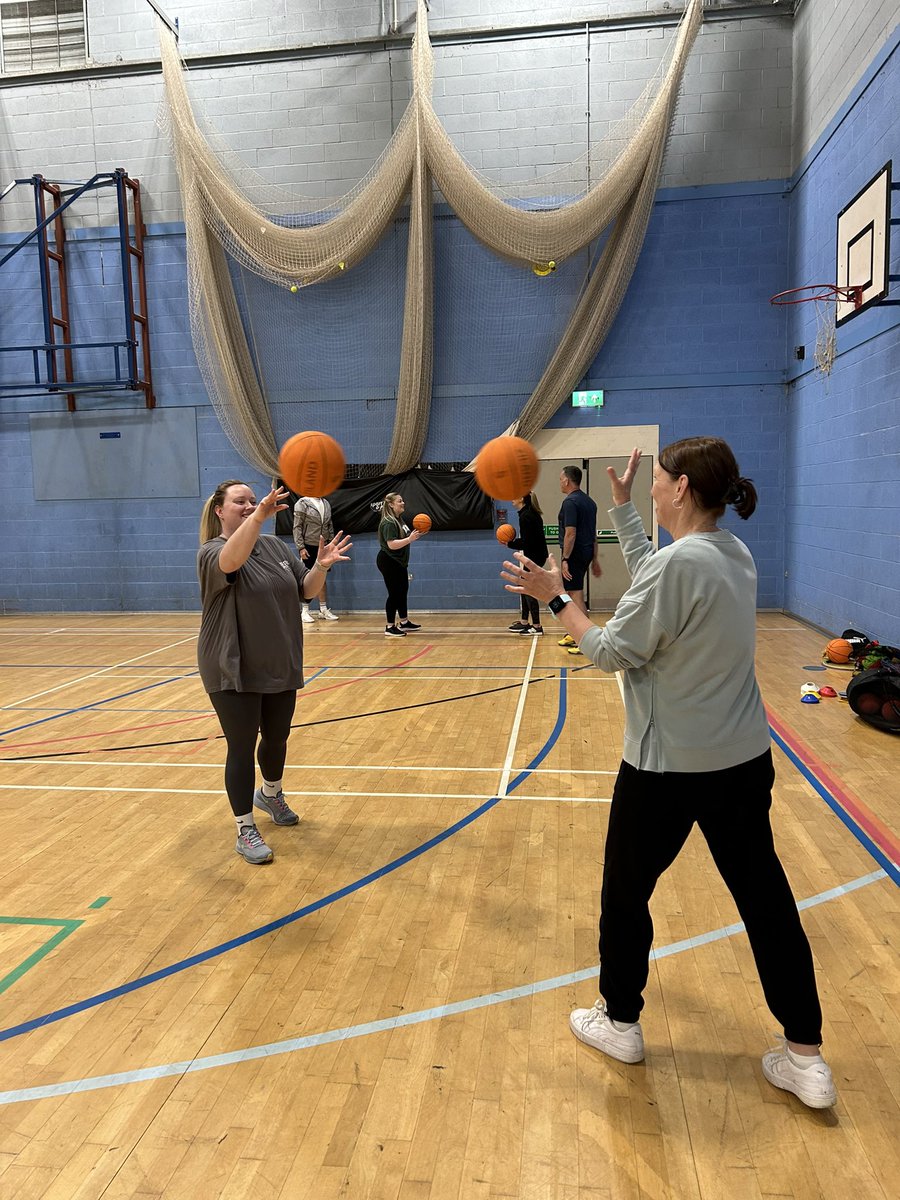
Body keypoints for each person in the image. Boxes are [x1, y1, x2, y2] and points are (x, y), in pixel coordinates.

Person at [501, 437, 836, 1109]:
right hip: (742, 762)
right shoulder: (731, 554)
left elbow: (612, 651)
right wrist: (623, 508)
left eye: (655, 480)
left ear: (681, 488)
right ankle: (806, 1059)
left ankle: (620, 1022)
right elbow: (662, 574)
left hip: (665, 768)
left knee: (625, 896)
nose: (650, 486)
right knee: (766, 902)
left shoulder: (677, 568)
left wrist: (556, 592)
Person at [198, 479, 352, 865]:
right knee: (242, 744)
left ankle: (270, 793)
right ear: (220, 510)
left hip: (278, 659)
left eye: (254, 500)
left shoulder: (274, 547)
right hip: (231, 663)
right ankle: (245, 828)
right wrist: (261, 516)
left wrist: (321, 565)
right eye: (240, 502)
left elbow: (305, 589)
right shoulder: (212, 552)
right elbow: (232, 561)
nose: (250, 505)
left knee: (278, 737)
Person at [557, 465, 601, 654]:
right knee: (573, 594)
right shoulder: (589, 502)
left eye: (561, 479)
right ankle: (576, 634)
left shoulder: (570, 502)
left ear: (567, 480)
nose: (560, 482)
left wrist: (565, 558)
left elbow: (570, 533)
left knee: (575, 595)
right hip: (586, 551)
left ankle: (585, 640)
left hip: (574, 553)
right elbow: (593, 534)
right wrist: (595, 558)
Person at [376, 492, 426, 637]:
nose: (403, 503)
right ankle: (389, 626)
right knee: (394, 594)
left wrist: (416, 534)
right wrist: (410, 539)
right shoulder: (388, 522)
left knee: (402, 591)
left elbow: (405, 537)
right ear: (391, 504)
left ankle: (404, 622)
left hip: (399, 561)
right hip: (389, 560)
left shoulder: (399, 519)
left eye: (402, 500)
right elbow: (391, 545)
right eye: (399, 501)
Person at [505, 492, 549, 635]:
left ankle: (537, 626)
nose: (512, 498)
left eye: (515, 495)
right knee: (523, 586)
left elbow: (527, 542)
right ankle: (524, 622)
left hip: (535, 556)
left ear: (522, 498)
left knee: (528, 589)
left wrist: (509, 543)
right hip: (535, 554)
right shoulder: (527, 513)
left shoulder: (526, 516)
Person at [292, 493, 338, 622]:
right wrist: (301, 547)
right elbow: (297, 526)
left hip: (323, 546)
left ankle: (323, 609)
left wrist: (331, 543)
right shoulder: (302, 503)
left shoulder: (326, 503)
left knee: (322, 577)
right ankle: (305, 610)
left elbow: (329, 525)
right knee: (306, 577)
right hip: (308, 545)